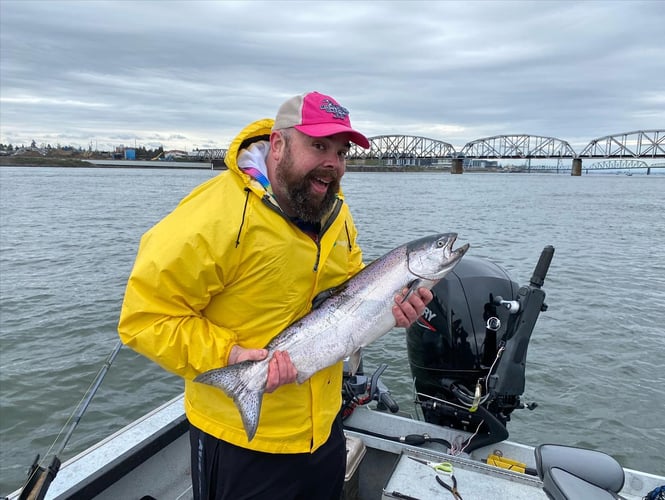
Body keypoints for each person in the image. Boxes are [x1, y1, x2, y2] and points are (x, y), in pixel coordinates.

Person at [118, 91, 433, 500]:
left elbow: (349, 295)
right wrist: (229, 357)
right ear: (279, 143)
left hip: (323, 432)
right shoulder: (214, 213)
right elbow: (144, 318)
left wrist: (392, 309)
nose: (332, 164)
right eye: (319, 146)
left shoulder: (336, 211)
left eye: (341, 153)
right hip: (239, 444)